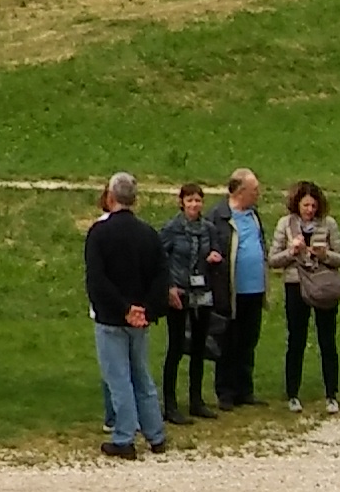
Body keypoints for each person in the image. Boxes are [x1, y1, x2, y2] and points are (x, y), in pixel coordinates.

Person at [84, 172, 170, 458]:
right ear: (135, 199)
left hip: (112, 317)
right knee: (142, 376)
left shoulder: (99, 233)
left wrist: (123, 308)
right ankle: (155, 434)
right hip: (140, 319)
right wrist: (146, 309)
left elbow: (97, 279)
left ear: (110, 196)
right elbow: (160, 276)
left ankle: (124, 437)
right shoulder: (148, 234)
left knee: (118, 378)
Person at [155, 180, 229, 423]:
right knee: (176, 347)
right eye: (190, 200)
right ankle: (170, 404)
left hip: (202, 292)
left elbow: (217, 253)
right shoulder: (172, 229)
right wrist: (169, 287)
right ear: (182, 203)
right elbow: (159, 259)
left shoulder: (208, 229)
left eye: (198, 200)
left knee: (200, 346)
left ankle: (196, 400)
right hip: (179, 292)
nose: (194, 205)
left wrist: (215, 257)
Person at [270, 179, 340, 412]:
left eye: (313, 206)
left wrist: (324, 255)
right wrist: (292, 252)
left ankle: (331, 393)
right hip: (295, 285)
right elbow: (273, 259)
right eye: (306, 205)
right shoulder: (285, 224)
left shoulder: (329, 224)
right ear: (297, 204)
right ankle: (292, 393)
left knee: (327, 339)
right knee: (296, 339)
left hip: (323, 285)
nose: (310, 210)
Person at [215, 169, 270, 409]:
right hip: (231, 291)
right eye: (254, 189)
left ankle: (245, 389)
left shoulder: (254, 215)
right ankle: (226, 391)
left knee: (249, 340)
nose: (258, 193)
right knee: (229, 341)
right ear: (240, 191)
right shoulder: (219, 217)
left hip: (254, 289)